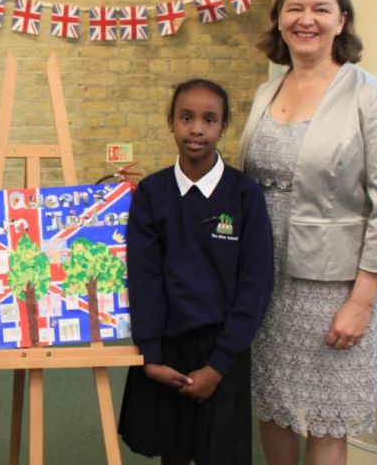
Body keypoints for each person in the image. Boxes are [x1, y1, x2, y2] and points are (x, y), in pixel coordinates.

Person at [239, 0, 377, 465]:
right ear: (279, 19)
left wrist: (362, 302)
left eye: (320, 8)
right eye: (294, 8)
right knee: (272, 406)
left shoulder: (373, 97)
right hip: (264, 281)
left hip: (334, 289)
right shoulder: (266, 91)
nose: (306, 19)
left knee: (325, 420)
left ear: (342, 20)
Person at [119, 79, 274, 465]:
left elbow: (256, 284)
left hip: (223, 351)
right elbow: (144, 278)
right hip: (167, 349)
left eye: (209, 119)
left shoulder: (245, 195)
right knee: (172, 452)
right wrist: (151, 355)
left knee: (220, 453)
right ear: (170, 122)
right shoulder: (151, 193)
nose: (197, 129)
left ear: (224, 127)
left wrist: (218, 365)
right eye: (186, 118)